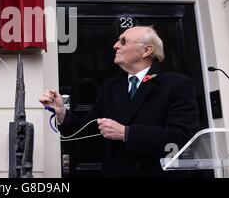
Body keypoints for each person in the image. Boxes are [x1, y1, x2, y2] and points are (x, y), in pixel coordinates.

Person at [40, 26, 199, 177]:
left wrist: (127, 133)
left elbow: (181, 137)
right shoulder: (110, 86)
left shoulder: (177, 84)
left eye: (123, 41)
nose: (115, 45)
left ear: (147, 50)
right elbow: (86, 130)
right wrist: (61, 112)